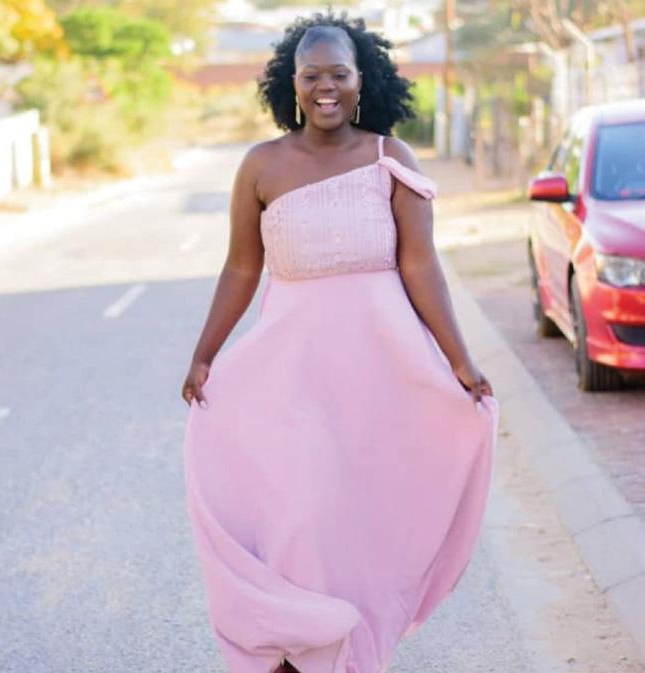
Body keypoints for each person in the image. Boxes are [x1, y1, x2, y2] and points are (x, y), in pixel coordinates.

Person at [181, 10, 499, 673]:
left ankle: (350, 649)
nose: (324, 87)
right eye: (310, 75)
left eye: (338, 74)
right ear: (290, 84)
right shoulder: (261, 166)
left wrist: (459, 360)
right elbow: (241, 268)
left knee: (358, 519)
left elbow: (420, 265)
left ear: (362, 80)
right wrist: (205, 352)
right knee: (302, 510)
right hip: (291, 375)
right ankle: (303, 640)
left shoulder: (391, 159)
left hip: (382, 373)